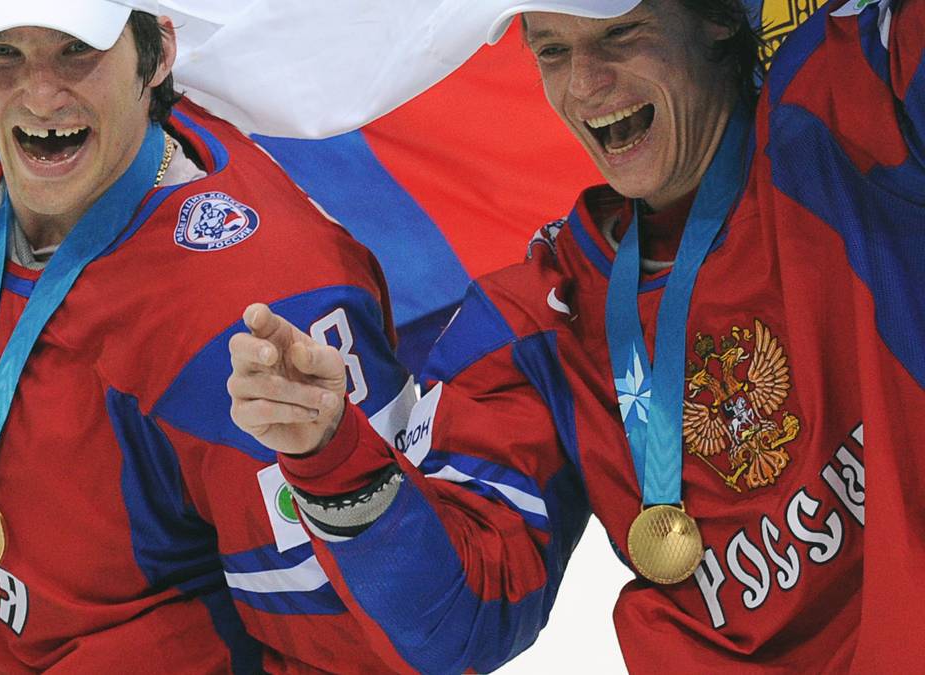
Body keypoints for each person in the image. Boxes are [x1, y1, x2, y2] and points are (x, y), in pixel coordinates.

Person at [229, 0, 925, 671]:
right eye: (553, 51)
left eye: (620, 36)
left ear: (715, 17)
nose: (585, 85)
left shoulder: (845, 114)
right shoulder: (539, 320)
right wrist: (330, 457)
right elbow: (458, 622)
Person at [0, 0, 420, 670]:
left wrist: (338, 469)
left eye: (76, 50)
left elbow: (369, 647)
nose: (41, 96)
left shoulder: (257, 314)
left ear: (159, 54)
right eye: (3, 52)